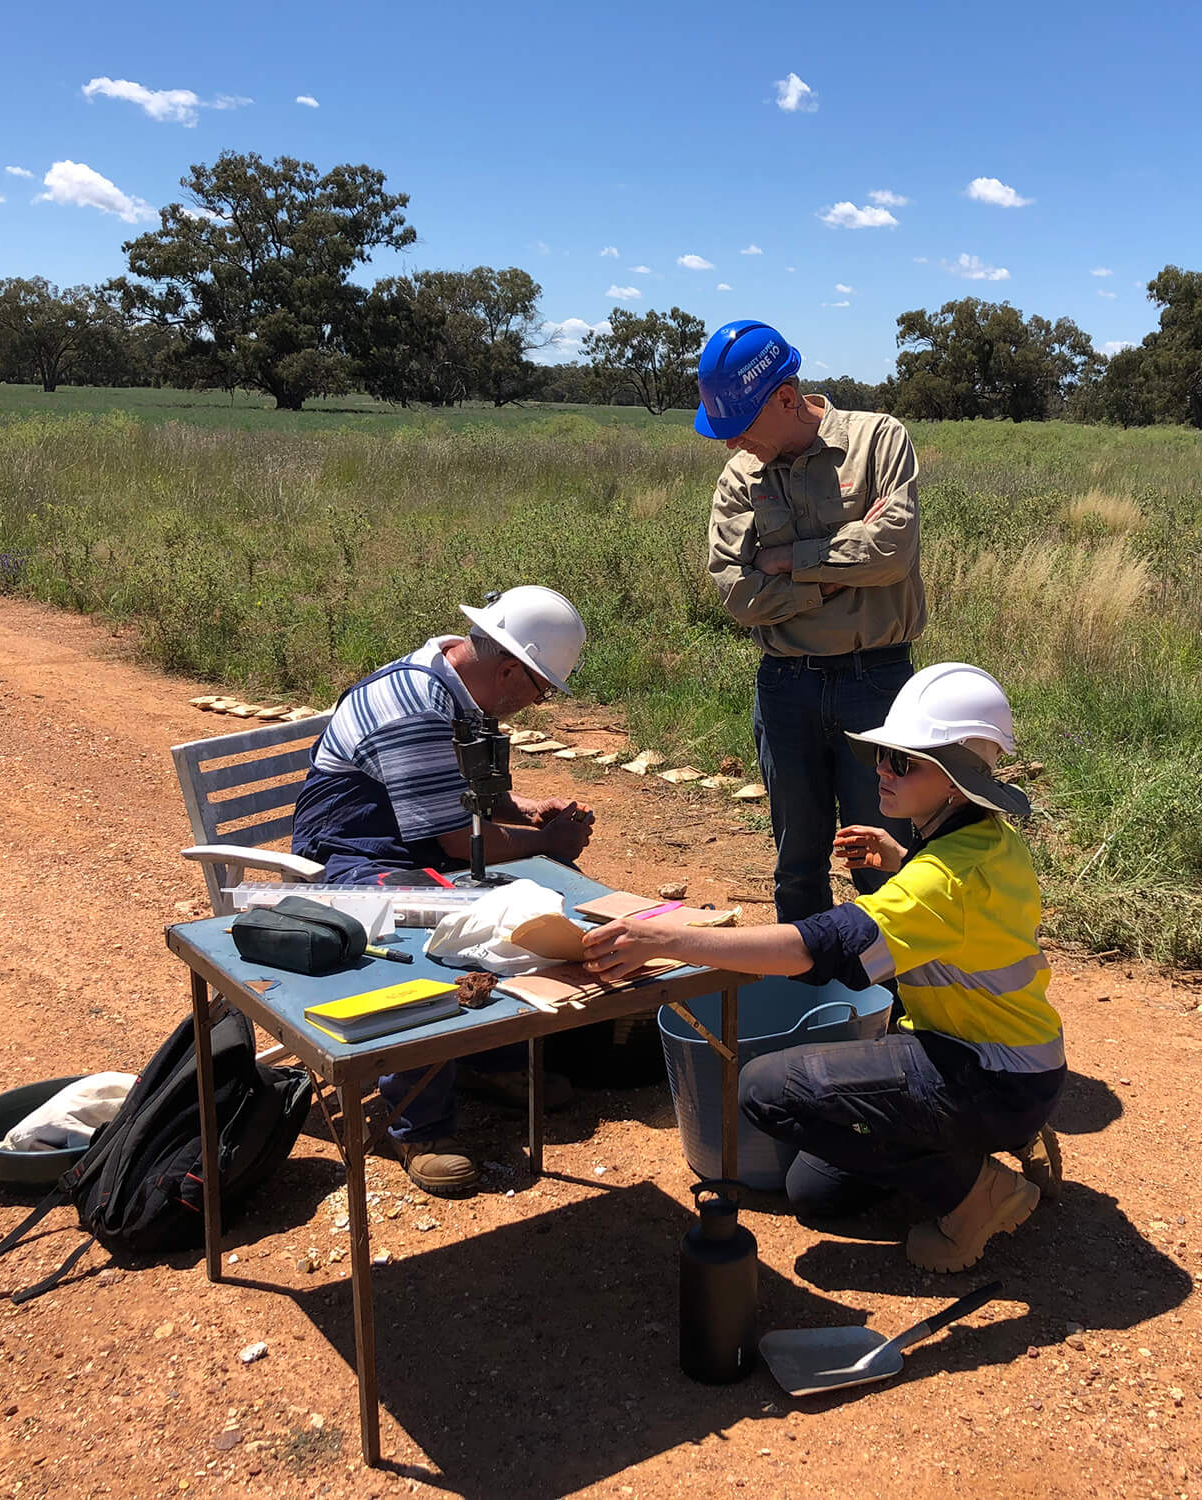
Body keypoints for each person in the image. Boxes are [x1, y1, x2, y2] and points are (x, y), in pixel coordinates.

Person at [582, 663, 1065, 1273]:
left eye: (903, 762)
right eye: (882, 755)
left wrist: (666, 939)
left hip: (988, 1074)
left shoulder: (943, 879)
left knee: (765, 1090)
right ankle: (992, 1140)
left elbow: (813, 950)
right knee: (816, 1190)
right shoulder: (986, 840)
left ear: (954, 781)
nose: (881, 770)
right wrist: (899, 860)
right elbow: (964, 913)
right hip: (1008, 1058)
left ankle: (977, 1192)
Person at [290, 585, 594, 1197]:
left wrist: (526, 813)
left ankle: (483, 1059)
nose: (533, 705)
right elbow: (457, 839)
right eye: (539, 691)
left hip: (411, 843)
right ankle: (417, 1124)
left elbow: (468, 791)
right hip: (354, 858)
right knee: (427, 937)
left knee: (516, 905)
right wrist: (547, 843)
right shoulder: (414, 708)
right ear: (509, 669)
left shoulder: (461, 683)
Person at [698, 320, 925, 923]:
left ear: (786, 398)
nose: (731, 441)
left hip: (875, 683)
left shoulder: (878, 440)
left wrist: (787, 561)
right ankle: (808, 975)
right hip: (786, 685)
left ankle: (891, 982)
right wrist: (836, 570)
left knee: (881, 857)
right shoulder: (741, 475)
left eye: (740, 424)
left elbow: (893, 552)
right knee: (797, 863)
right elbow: (738, 594)